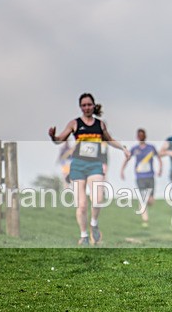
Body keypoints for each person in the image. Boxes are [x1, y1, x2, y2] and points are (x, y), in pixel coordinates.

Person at [48, 92, 130, 246]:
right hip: (78, 165)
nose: (87, 107)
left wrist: (123, 148)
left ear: (93, 105)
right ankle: (84, 236)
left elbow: (110, 140)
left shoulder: (100, 125)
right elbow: (60, 140)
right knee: (82, 205)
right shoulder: (74, 124)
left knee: (97, 199)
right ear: (80, 107)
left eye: (89, 104)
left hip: (95, 165)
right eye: (84, 105)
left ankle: (94, 224)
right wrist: (53, 137)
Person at [121, 128, 162, 227]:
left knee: (150, 200)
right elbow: (127, 159)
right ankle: (145, 219)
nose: (141, 137)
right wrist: (122, 170)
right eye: (139, 135)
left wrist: (160, 169)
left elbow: (159, 158)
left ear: (145, 136)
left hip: (150, 176)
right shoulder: (135, 149)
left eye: (142, 135)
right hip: (140, 177)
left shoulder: (151, 148)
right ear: (137, 137)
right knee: (142, 197)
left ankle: (145, 205)